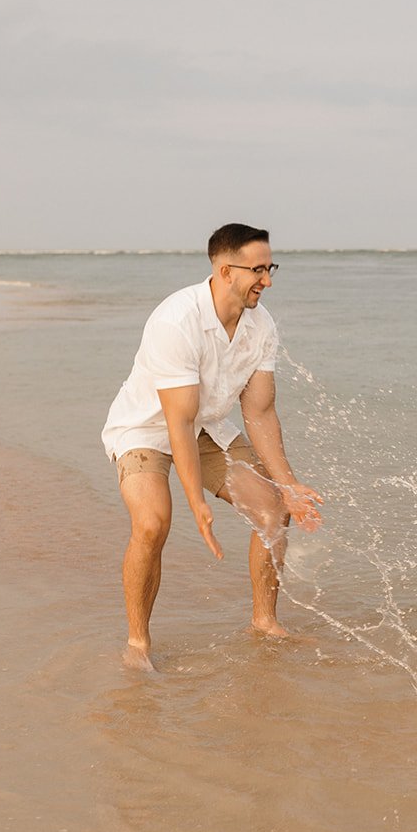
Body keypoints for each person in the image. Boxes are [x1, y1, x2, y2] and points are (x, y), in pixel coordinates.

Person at [102, 223, 322, 671]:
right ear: (225, 271)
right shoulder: (176, 320)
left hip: (207, 428)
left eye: (271, 267)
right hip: (146, 430)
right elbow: (176, 423)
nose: (268, 280)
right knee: (152, 523)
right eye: (258, 269)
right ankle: (138, 644)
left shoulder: (261, 325)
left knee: (273, 508)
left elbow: (259, 413)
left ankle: (264, 621)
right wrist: (195, 501)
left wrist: (290, 484)